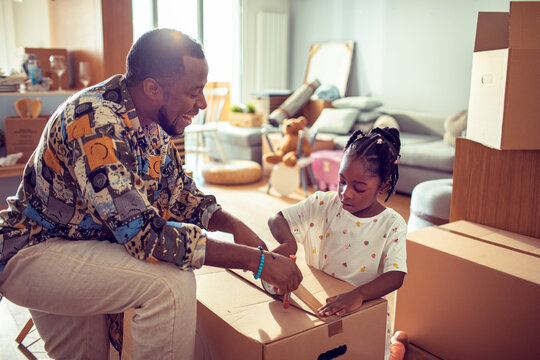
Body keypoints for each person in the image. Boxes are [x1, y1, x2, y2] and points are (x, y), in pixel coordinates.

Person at [0, 29, 302, 360]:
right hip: (34, 251)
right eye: (194, 92)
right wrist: (255, 261)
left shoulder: (149, 125)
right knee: (169, 285)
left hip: (80, 247)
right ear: (152, 88)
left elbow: (179, 192)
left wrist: (233, 226)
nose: (202, 103)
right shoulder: (94, 122)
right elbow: (143, 236)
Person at [268, 127, 407, 360]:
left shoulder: (392, 224)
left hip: (362, 312)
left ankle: (398, 346)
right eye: (341, 181)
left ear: (383, 186)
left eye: (359, 187)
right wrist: (288, 241)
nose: (345, 193)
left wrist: (359, 295)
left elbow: (396, 275)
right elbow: (277, 219)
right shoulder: (323, 203)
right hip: (323, 307)